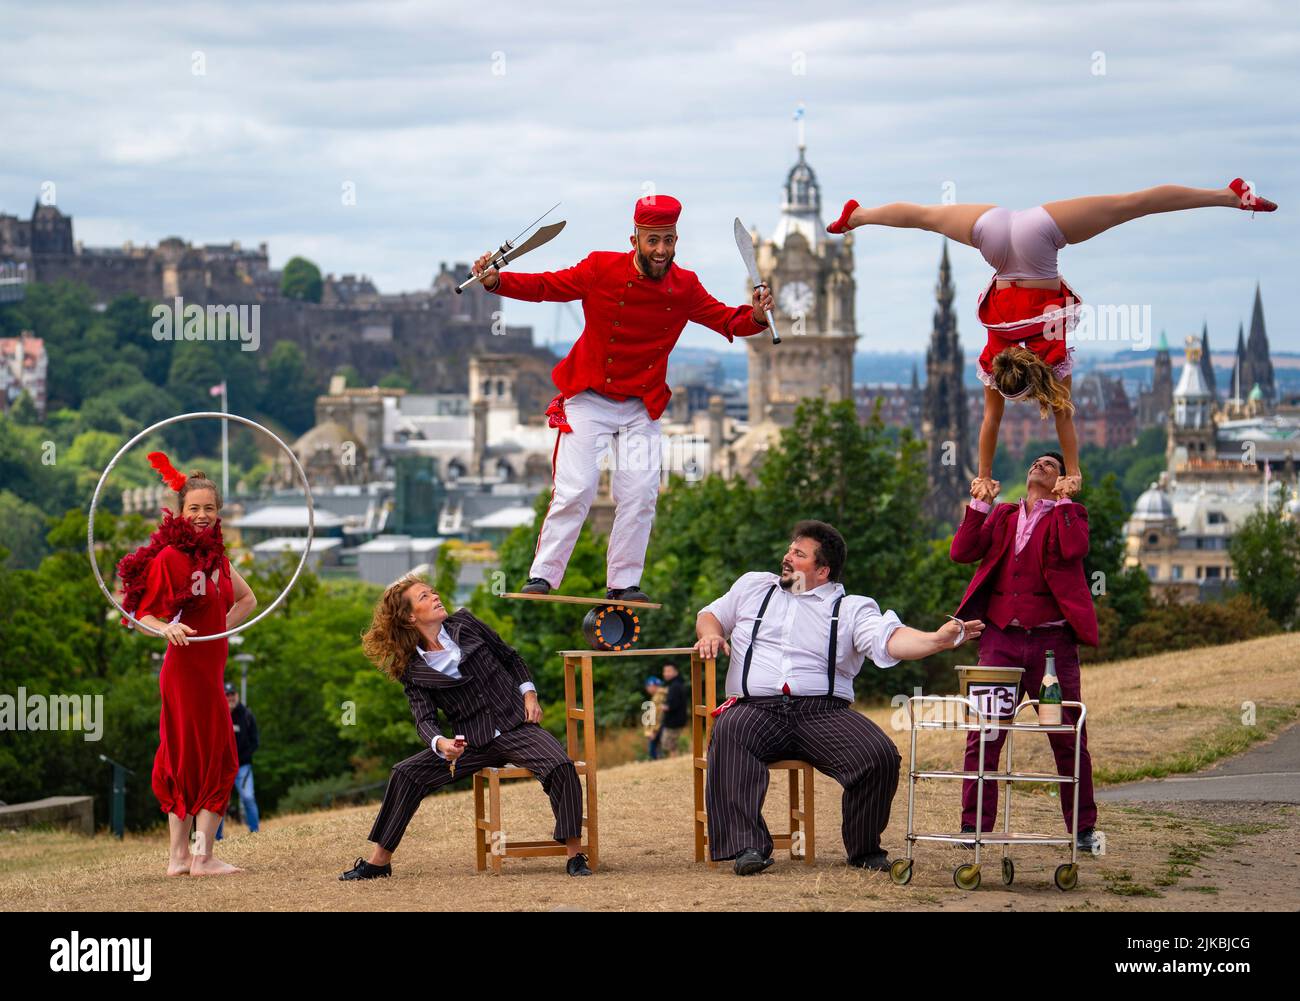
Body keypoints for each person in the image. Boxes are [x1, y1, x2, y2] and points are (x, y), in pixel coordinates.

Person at [826, 179, 1277, 501]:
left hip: (1040, 244)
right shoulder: (993, 362)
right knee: (927, 218)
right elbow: (990, 426)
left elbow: (1064, 423)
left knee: (1129, 205)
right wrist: (981, 476)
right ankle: (858, 217)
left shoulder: (1053, 360)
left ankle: (1229, 197)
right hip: (995, 238)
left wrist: (1074, 472)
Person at [472, 194, 775, 603]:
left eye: (668, 241)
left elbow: (726, 319)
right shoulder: (600, 268)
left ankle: (624, 584)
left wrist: (756, 316)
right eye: (653, 240)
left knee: (640, 494)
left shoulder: (685, 286)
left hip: (640, 406)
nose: (662, 250)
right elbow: (547, 286)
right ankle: (543, 575)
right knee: (576, 489)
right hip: (589, 396)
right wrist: (497, 282)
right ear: (634, 239)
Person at [695, 520, 983, 875]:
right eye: (790, 549)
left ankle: (864, 850)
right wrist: (710, 635)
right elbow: (711, 614)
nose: (786, 557)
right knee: (729, 731)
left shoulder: (851, 608)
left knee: (879, 756)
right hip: (756, 708)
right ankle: (746, 847)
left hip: (822, 712)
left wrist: (937, 640)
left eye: (798, 554)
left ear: (823, 570)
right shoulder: (754, 586)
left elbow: (890, 640)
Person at [340, 574, 591, 879]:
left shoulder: (466, 623)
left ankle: (575, 855)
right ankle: (379, 863)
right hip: (470, 741)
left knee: (560, 766)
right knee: (405, 774)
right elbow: (424, 720)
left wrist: (530, 694)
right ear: (409, 616)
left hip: (517, 725)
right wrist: (441, 743)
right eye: (424, 597)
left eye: (433, 592)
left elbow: (511, 658)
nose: (435, 597)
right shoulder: (412, 669)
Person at [116, 454, 258, 876]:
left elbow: (248, 600)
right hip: (183, 675)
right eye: (194, 508)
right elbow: (143, 616)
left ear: (219, 514)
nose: (202, 516)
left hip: (208, 670)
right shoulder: (170, 559)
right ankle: (200, 857)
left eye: (209, 509)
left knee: (195, 756)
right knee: (210, 757)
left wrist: (219, 629)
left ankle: (182, 859)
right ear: (179, 513)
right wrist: (167, 630)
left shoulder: (218, 560)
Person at [949, 451, 1099, 850]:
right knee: (985, 733)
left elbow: (1072, 550)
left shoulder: (1071, 516)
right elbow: (961, 552)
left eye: (1051, 466)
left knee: (1065, 733)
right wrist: (981, 504)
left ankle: (1082, 829)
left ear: (1063, 481)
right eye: (1037, 462)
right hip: (1001, 641)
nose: (1040, 465)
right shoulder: (1003, 516)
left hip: (1051, 647)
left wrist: (1066, 502)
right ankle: (972, 827)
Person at [216, 682, 260, 840]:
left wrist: (241, 758)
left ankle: (255, 832)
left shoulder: (247, 715)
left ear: (237, 695)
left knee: (248, 797)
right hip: (222, 767)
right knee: (219, 801)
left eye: (232, 694)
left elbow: (255, 741)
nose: (230, 697)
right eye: (227, 695)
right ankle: (217, 836)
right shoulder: (217, 714)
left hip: (243, 766)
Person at [658, 663, 688, 759]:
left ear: (676, 672)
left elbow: (672, 705)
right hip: (677, 719)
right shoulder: (677, 684)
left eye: (668, 671)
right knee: (670, 743)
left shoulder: (675, 686)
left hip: (674, 721)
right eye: (664, 671)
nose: (666, 674)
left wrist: (662, 707)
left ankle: (673, 760)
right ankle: (673, 759)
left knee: (668, 744)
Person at [643, 675, 666, 760]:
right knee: (657, 750)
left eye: (648, 686)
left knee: (654, 751)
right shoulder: (659, 695)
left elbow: (657, 716)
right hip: (659, 726)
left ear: (653, 686)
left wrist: (654, 730)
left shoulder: (658, 697)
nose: (647, 689)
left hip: (658, 727)